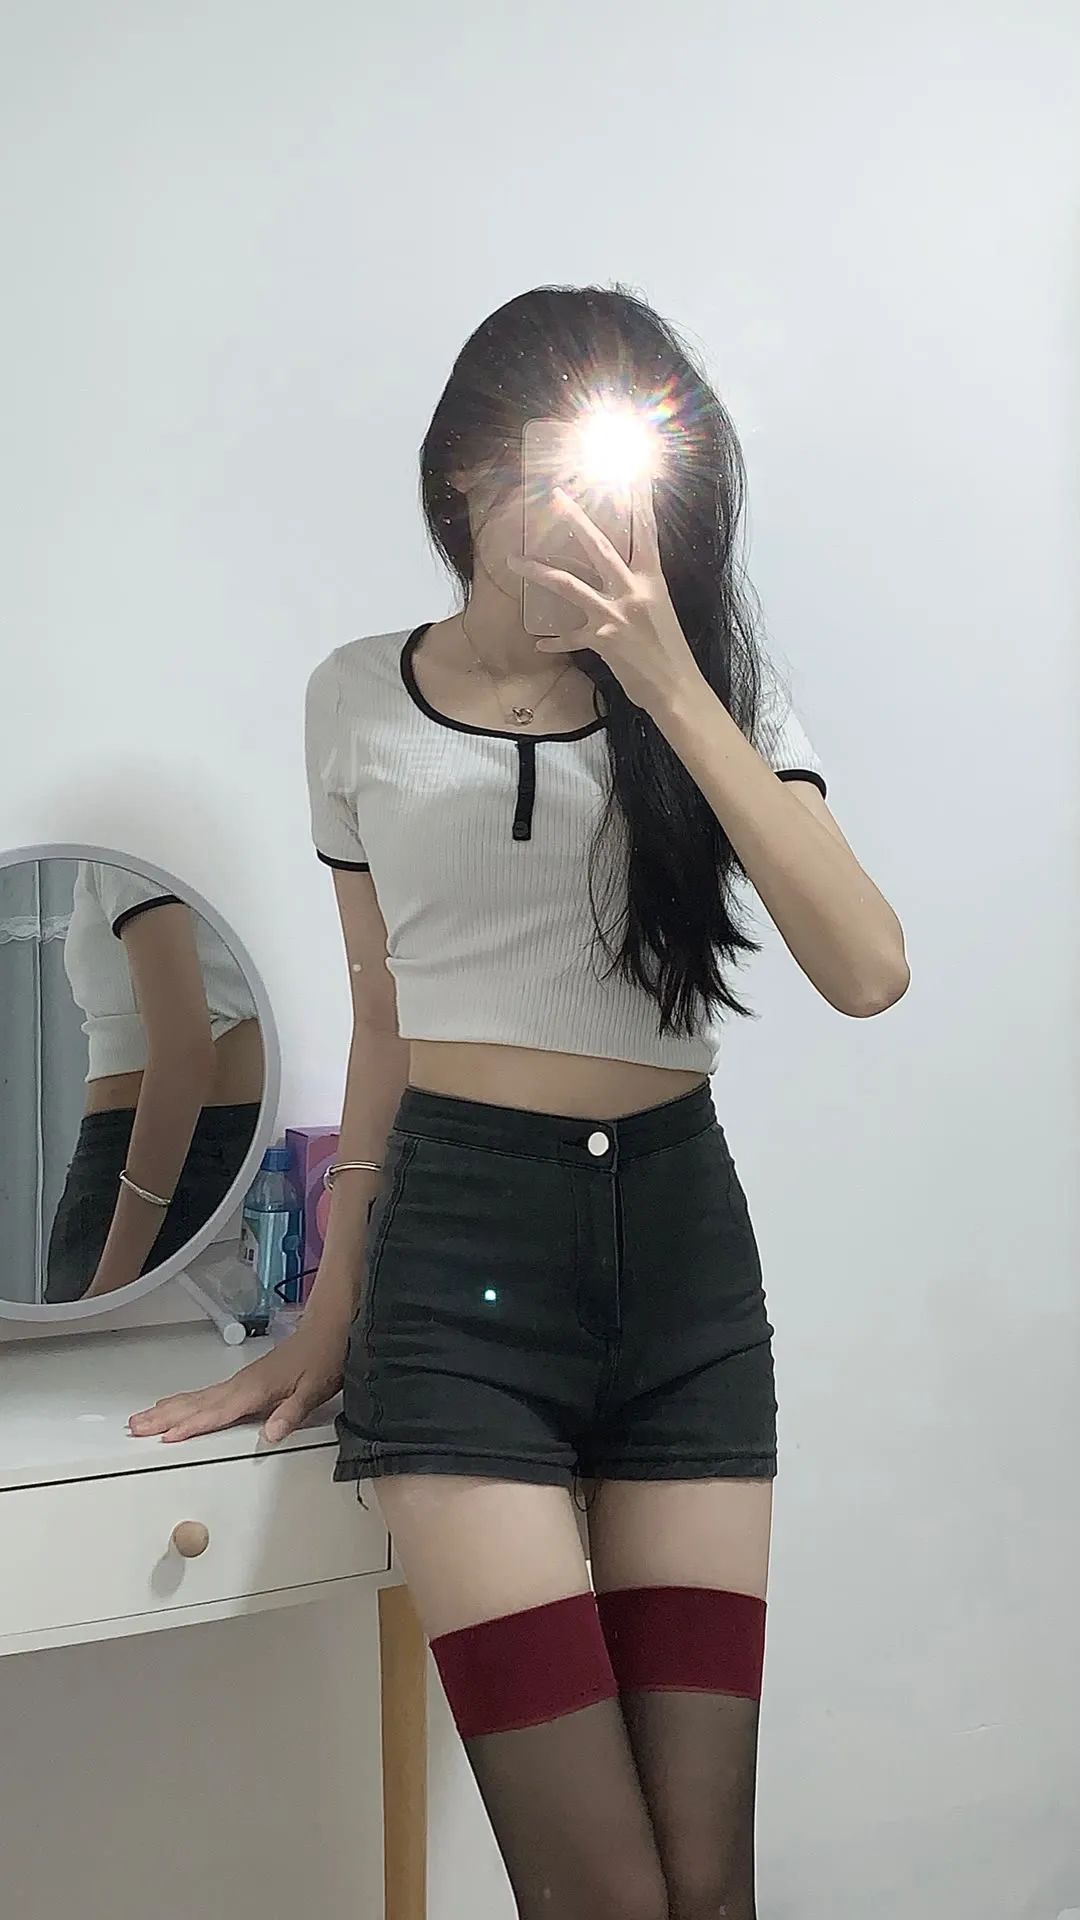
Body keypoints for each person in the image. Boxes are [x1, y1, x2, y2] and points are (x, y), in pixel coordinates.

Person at [130, 286, 908, 1918]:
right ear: (466, 478)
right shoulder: (358, 696)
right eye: (550, 478)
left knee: (708, 1885)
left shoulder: (717, 694)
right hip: (462, 1286)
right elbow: (382, 1022)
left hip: (686, 1275)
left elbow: (869, 967)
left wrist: (670, 682)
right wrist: (333, 1311)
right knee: (605, 1897)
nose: (584, 523)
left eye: (625, 487)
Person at [46, 862, 263, 1301]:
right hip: (234, 1142)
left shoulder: (126, 848)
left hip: (144, 1152)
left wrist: (113, 1285)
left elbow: (184, 1052)